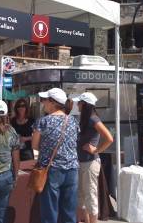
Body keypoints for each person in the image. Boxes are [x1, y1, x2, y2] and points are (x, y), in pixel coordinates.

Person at [32, 88, 80, 223]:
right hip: (72, 169)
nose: (43, 103)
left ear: (52, 102)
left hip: (51, 169)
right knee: (69, 211)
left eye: (45, 100)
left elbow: (35, 146)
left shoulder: (43, 121)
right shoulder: (73, 121)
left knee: (49, 211)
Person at [72, 92, 113, 223]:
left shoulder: (92, 118)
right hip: (83, 162)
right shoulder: (86, 118)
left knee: (89, 196)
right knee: (82, 196)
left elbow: (109, 138)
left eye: (79, 102)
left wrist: (96, 149)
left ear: (84, 104)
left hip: (89, 163)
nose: (77, 104)